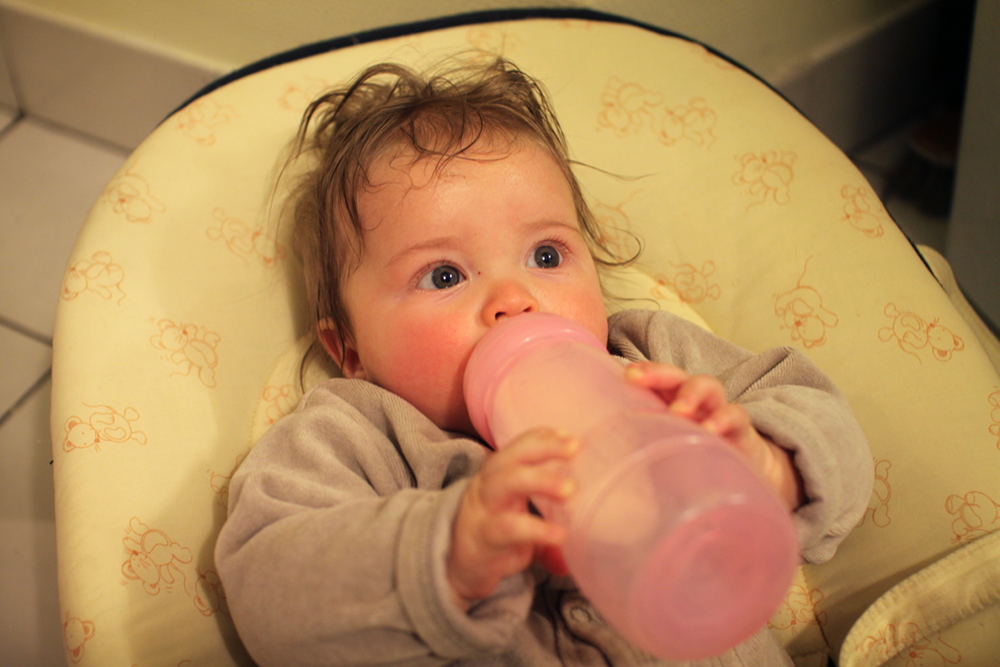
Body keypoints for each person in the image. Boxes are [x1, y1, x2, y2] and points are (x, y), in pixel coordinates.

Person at [215, 56, 872, 666]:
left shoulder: (653, 357)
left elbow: (825, 419)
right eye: (444, 275)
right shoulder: (354, 438)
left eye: (547, 256)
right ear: (351, 351)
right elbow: (269, 592)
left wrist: (766, 462)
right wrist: (445, 552)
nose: (515, 298)